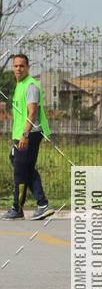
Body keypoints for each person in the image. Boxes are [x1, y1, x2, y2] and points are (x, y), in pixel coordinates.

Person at [1, 54, 55, 221]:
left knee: (20, 171)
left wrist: (24, 135)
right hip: (22, 134)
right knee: (25, 168)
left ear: (28, 68)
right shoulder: (20, 85)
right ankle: (42, 204)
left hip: (30, 134)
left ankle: (17, 208)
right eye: (16, 66)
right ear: (13, 68)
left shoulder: (31, 86)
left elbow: (32, 113)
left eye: (22, 66)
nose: (19, 68)